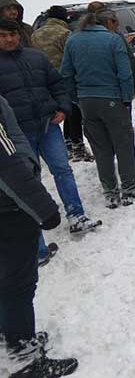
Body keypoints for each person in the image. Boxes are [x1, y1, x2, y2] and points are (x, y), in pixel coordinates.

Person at [0, 95, 79, 378]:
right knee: (17, 283)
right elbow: (6, 161)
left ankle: (11, 332)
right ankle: (25, 362)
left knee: (6, 277)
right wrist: (44, 208)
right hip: (9, 208)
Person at [0, 19, 101, 238]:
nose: (9, 39)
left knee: (63, 170)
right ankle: (36, 237)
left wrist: (63, 108)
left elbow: (57, 84)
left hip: (48, 126)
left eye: (12, 34)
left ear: (19, 35)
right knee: (28, 180)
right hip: (17, 135)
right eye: (3, 35)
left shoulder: (35, 57)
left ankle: (77, 215)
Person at [61, 10, 135, 208]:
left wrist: (76, 98)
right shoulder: (112, 40)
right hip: (112, 99)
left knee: (100, 148)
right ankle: (130, 189)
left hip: (86, 101)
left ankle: (110, 192)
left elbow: (65, 73)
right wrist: (127, 99)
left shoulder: (73, 41)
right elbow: (124, 73)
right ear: (104, 23)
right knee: (123, 144)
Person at [31, 5, 93, 162]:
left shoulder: (36, 34)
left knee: (60, 112)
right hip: (63, 78)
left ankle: (67, 144)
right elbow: (73, 57)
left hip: (42, 80)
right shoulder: (65, 34)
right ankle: (77, 146)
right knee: (73, 111)